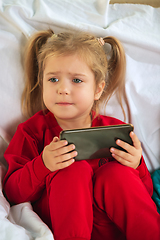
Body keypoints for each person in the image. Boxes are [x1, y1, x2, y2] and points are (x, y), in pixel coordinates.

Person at [3, 29, 160, 240]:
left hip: (115, 227)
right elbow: (13, 193)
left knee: (117, 175)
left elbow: (144, 192)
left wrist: (137, 165)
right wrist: (43, 165)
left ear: (98, 89)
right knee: (72, 168)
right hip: (68, 228)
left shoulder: (116, 130)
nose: (63, 89)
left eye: (76, 80)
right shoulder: (32, 132)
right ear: (42, 83)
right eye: (53, 80)